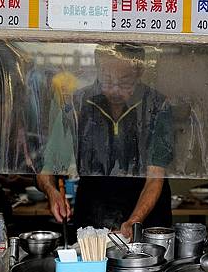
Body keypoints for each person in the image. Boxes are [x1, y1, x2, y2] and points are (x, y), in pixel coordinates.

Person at [38, 43, 174, 238]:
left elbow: (155, 177)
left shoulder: (157, 106)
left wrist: (134, 222)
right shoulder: (77, 105)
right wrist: (52, 192)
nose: (115, 90)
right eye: (107, 80)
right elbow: (47, 169)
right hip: (92, 219)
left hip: (146, 222)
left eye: (125, 82)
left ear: (140, 71)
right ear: (98, 68)